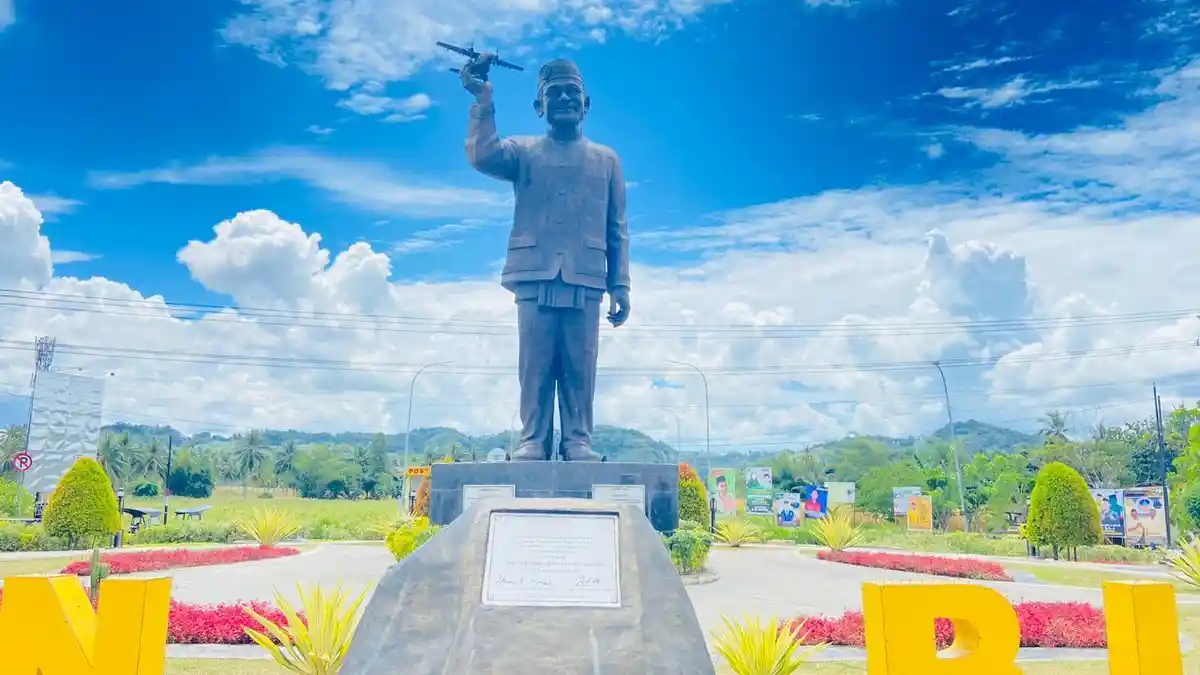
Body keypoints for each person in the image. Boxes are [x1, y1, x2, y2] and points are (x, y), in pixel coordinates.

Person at [461, 54, 631, 461]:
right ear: (539, 107)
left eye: (573, 92)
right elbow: (483, 155)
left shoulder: (607, 160)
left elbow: (617, 228)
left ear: (586, 103)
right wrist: (483, 96)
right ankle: (533, 438)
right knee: (535, 363)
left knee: (579, 364)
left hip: (587, 277)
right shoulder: (522, 151)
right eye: (553, 94)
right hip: (535, 272)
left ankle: (577, 440)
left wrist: (620, 284)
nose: (564, 99)